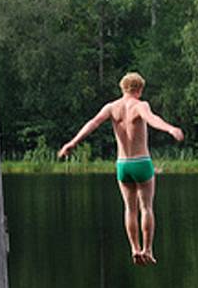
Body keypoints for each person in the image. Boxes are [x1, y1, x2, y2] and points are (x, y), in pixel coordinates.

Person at [58, 72, 183, 266]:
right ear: (139, 89)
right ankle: (147, 249)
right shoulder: (140, 105)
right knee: (146, 207)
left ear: (123, 88)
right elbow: (151, 119)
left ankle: (134, 248)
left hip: (122, 165)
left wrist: (72, 143)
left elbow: (93, 123)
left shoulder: (111, 107)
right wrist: (170, 129)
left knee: (129, 209)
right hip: (141, 162)